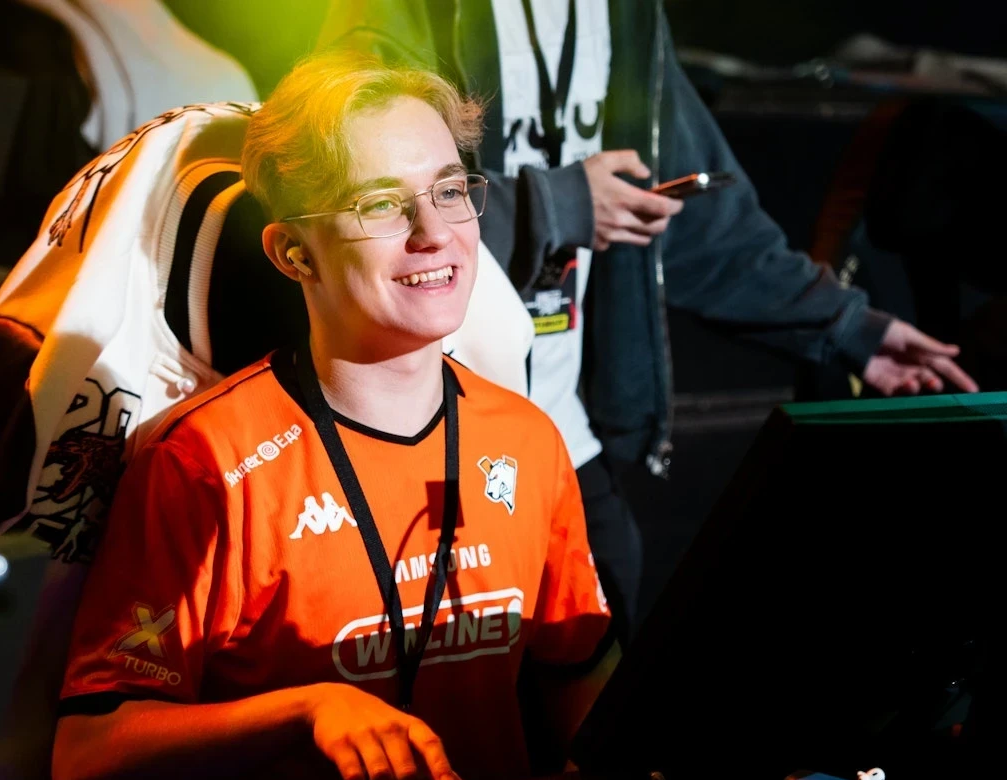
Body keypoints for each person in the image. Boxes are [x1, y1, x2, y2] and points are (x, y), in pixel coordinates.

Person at [314, 0, 980, 643]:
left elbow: (705, 226)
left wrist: (849, 328)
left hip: (562, 436)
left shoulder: (623, 11)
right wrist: (559, 204)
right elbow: (350, 194)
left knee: (602, 663)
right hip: (430, 440)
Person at [51, 52, 614, 780]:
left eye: (449, 190)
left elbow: (583, 679)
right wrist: (307, 711)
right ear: (293, 253)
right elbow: (84, 757)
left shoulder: (527, 438)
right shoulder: (205, 462)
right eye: (380, 204)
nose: (433, 232)